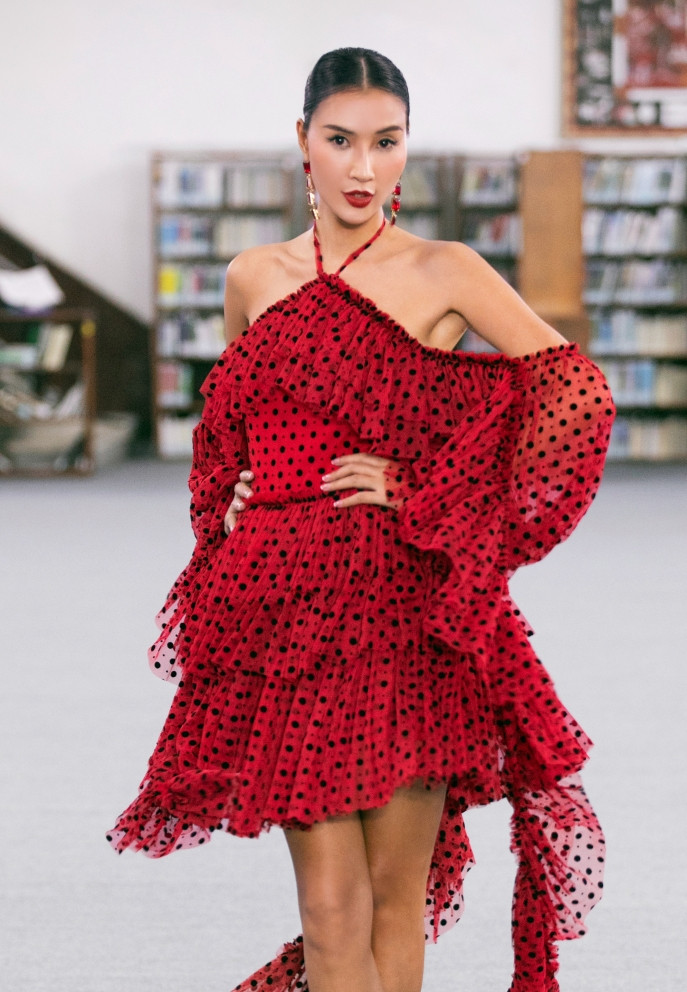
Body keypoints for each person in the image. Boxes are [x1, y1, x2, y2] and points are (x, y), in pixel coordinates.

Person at [108, 48, 615, 992]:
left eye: (386, 142)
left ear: (407, 149)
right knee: (329, 907)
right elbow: (229, 428)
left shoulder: (444, 268)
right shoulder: (251, 276)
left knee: (392, 898)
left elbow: (573, 397)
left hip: (403, 608)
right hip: (283, 609)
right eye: (340, 140)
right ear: (302, 142)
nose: (362, 167)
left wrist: (429, 493)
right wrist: (234, 496)